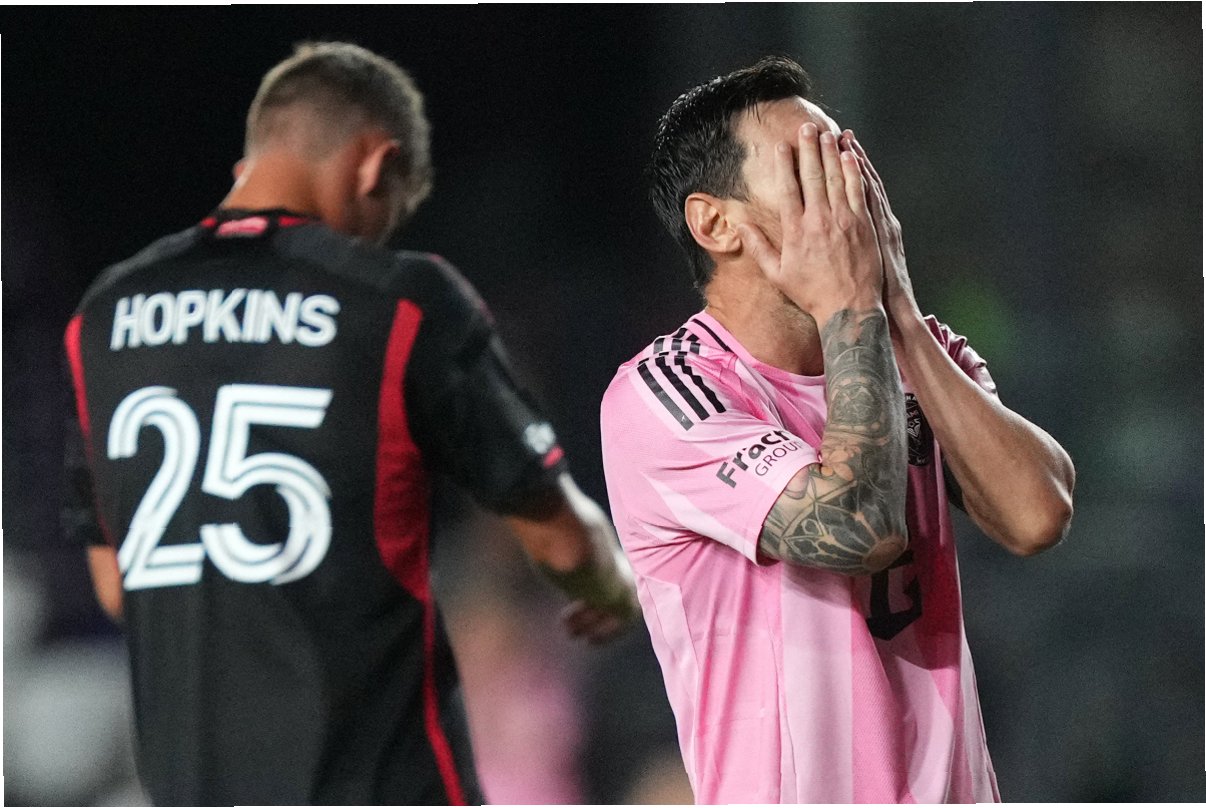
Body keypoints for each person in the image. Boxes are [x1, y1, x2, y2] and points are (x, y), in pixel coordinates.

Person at [62, 41, 637, 806]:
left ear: (249, 165)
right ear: (375, 165)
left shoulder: (103, 317)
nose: (378, 234)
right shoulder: (398, 303)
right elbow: (559, 539)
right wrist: (611, 586)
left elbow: (118, 583)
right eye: (390, 211)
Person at [599, 56, 1075, 803]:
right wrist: (853, 305)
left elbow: (1037, 514)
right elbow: (859, 527)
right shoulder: (665, 395)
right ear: (716, 223)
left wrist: (900, 313)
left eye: (843, 156)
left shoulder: (912, 348)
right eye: (806, 168)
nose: (845, 189)